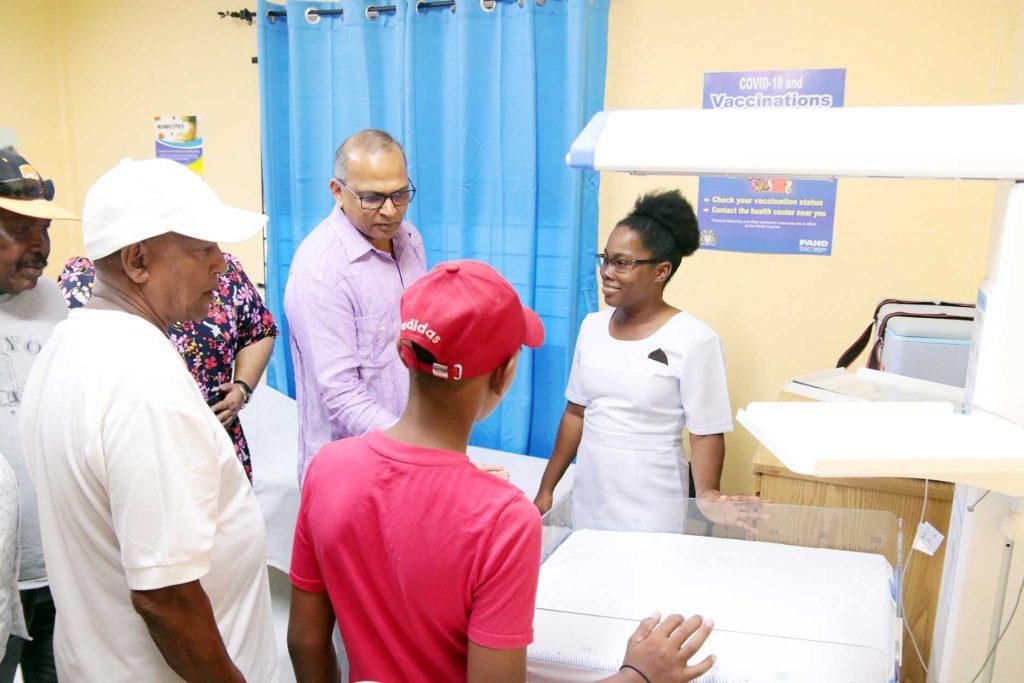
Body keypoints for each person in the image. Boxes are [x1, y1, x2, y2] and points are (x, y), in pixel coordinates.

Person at [287, 260, 716, 682]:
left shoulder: (329, 467)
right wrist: (639, 675)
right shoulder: (504, 520)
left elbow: (305, 642)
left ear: (405, 355)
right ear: (504, 376)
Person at [19, 158, 278, 681]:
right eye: (203, 248)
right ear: (138, 260)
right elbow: (165, 598)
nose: (222, 267)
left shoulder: (67, 344)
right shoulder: (142, 385)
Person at [535, 190, 756, 532]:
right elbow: (575, 413)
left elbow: (706, 433)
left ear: (661, 271)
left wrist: (709, 495)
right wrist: (546, 489)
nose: (607, 272)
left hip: (653, 499)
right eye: (605, 259)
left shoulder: (695, 340)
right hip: (591, 493)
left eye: (622, 263)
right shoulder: (591, 327)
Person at [57, 251, 278, 481]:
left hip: (215, 446)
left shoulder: (224, 272)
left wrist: (242, 388)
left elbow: (260, 331)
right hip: (137, 458)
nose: (218, 262)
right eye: (199, 246)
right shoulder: (83, 283)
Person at [285, 129, 427, 484]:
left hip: (407, 453)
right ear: (337, 191)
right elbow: (341, 395)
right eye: (372, 198)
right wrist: (421, 448)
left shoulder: (409, 240)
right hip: (351, 470)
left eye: (399, 194)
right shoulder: (322, 269)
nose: (391, 210)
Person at [0, 148, 79, 682]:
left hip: (59, 568)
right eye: (20, 229)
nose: (41, 247)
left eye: (44, 229)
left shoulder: (55, 303)